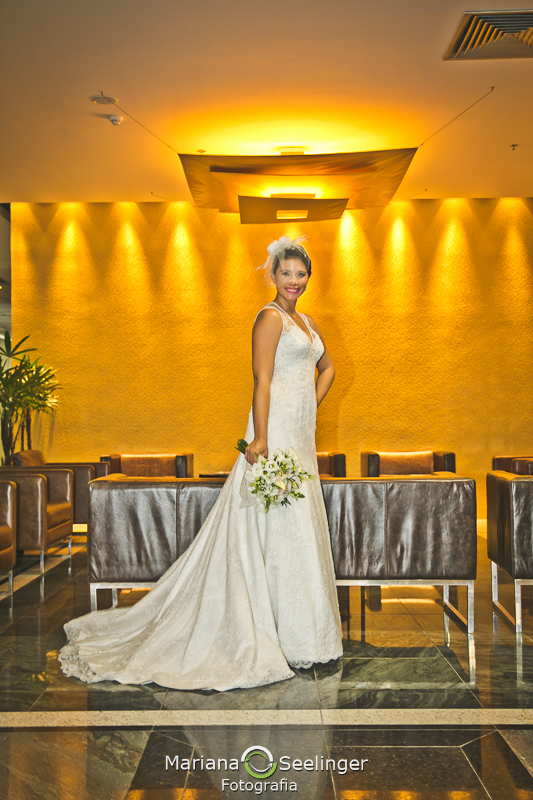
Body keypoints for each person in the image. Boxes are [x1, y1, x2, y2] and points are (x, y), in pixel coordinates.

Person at [59, 235, 343, 691]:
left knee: (298, 526)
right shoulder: (269, 318)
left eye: (301, 273)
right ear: (273, 276)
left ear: (309, 277)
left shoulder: (307, 323)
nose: (293, 280)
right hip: (273, 434)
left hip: (300, 434)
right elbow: (261, 381)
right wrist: (262, 436)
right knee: (270, 523)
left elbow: (328, 368)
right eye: (286, 273)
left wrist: (309, 403)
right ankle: (271, 634)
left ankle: (303, 636)